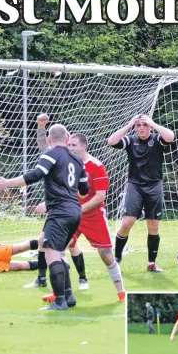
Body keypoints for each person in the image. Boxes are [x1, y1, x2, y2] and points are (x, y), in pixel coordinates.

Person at [0, 124, 89, 310]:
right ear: (67, 140)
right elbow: (84, 191)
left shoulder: (50, 154)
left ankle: (59, 302)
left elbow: (35, 175)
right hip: (75, 212)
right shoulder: (77, 160)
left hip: (59, 212)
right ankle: (68, 296)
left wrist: (7, 183)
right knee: (48, 246)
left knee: (52, 254)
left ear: (50, 140)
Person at [31, 114, 126, 302]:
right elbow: (45, 148)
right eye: (69, 144)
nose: (70, 148)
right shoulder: (64, 159)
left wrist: (77, 208)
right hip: (71, 214)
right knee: (54, 249)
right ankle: (60, 291)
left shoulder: (97, 166)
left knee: (106, 256)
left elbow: (100, 197)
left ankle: (122, 291)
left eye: (73, 145)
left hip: (92, 216)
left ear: (83, 146)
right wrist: (41, 128)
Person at [108, 114, 175, 272]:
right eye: (138, 125)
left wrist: (153, 123)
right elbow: (111, 141)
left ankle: (151, 263)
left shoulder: (157, 139)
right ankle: (117, 258)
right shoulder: (130, 140)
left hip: (154, 186)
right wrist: (129, 124)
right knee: (126, 223)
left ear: (150, 126)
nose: (141, 128)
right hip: (135, 186)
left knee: (153, 226)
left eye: (144, 125)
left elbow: (170, 136)